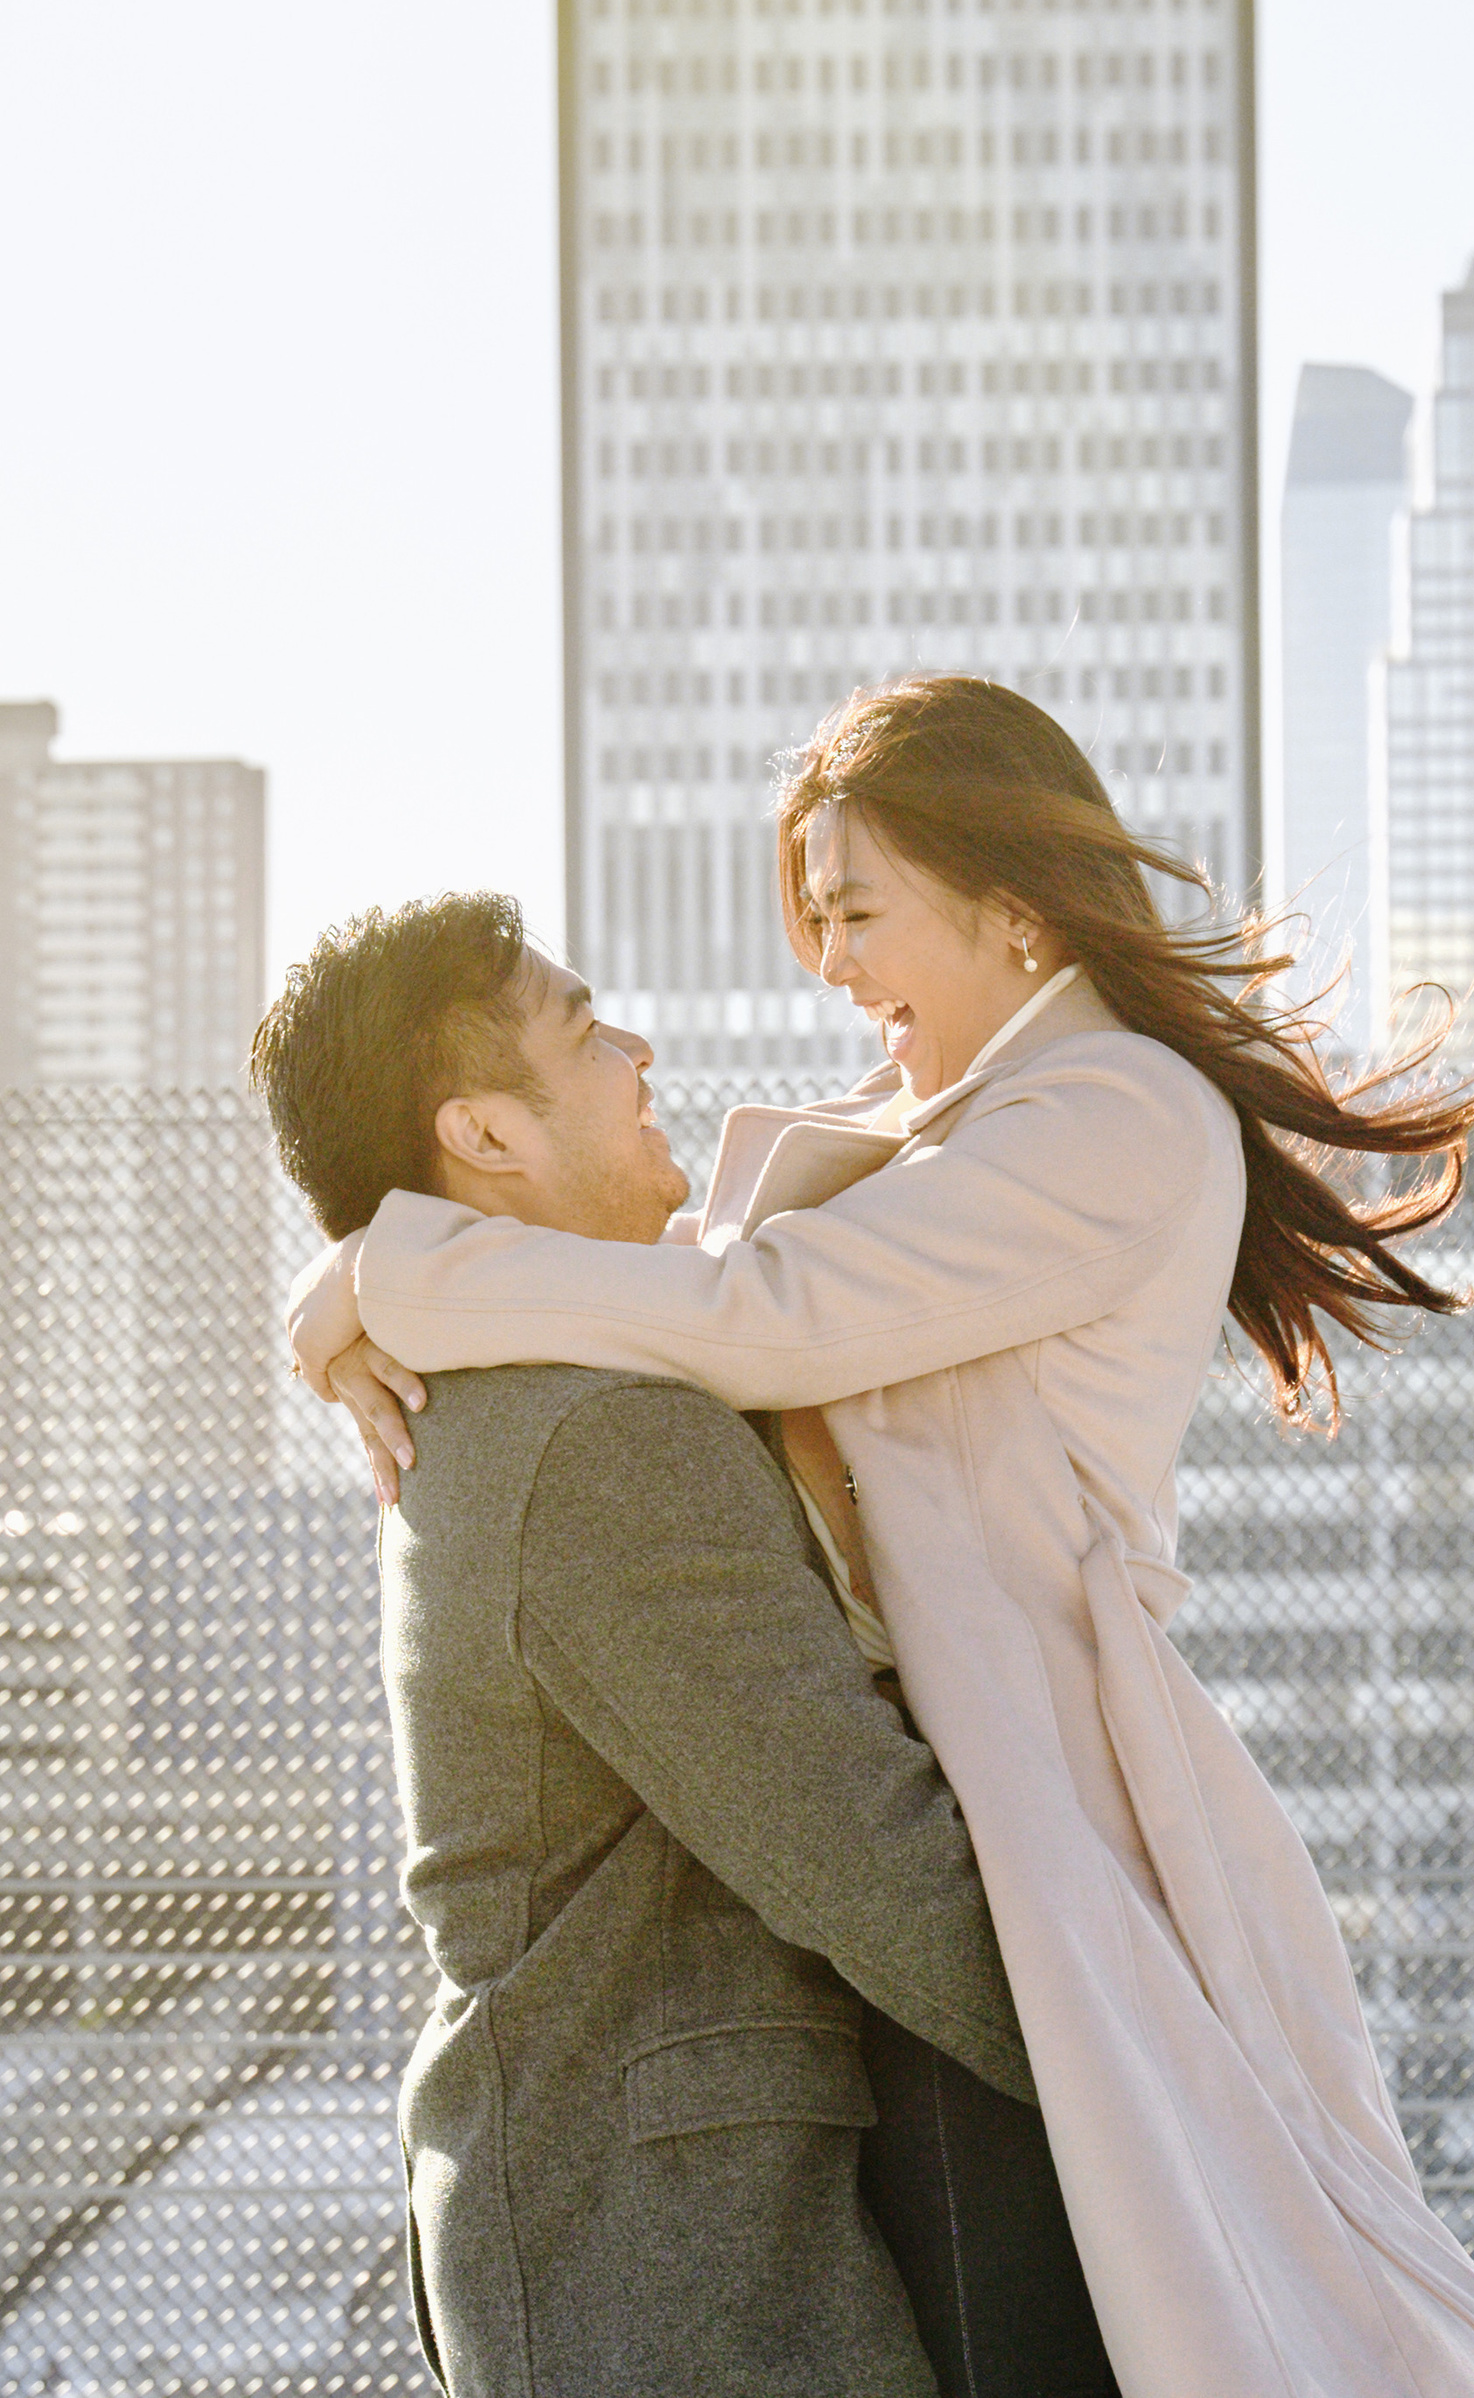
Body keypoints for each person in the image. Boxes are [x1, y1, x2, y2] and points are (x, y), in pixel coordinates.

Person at [292, 675, 1474, 2398]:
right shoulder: (923, 1158)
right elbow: (721, 1302)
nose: (824, 960)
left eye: (855, 909)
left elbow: (761, 1306)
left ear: (1016, 905)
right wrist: (369, 1263)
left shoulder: (1108, 1115)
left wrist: (391, 1270)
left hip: (1031, 1817)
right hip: (954, 1898)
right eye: (813, 915)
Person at [252, 889, 1119, 2398]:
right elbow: (865, 1849)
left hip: (635, 2237)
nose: (640, 1049)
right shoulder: (595, 1436)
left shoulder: (538, 1389)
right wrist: (1160, 2081)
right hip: (672, 2269)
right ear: (489, 1135)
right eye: (585, 1032)